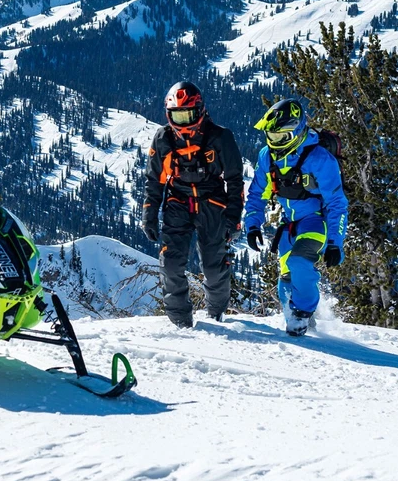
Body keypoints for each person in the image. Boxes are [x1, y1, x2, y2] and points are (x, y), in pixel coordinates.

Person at [243, 99, 348, 336]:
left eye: (280, 137)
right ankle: (303, 323)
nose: (273, 142)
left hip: (315, 221)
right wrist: (252, 225)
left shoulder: (320, 159)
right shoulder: (267, 156)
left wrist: (335, 242)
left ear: (296, 132)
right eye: (270, 136)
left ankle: (301, 315)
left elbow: (337, 204)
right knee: (286, 279)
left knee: (300, 263)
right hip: (288, 224)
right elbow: (257, 194)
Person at [143, 82, 244, 328]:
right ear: (168, 114)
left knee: (213, 266)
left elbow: (235, 180)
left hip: (213, 203)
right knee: (170, 263)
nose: (183, 122)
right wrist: (149, 215)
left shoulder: (221, 137)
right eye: (177, 116)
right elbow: (154, 181)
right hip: (178, 203)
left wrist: (233, 217)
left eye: (188, 115)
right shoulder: (163, 138)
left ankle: (216, 315)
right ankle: (180, 322)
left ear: (200, 110)